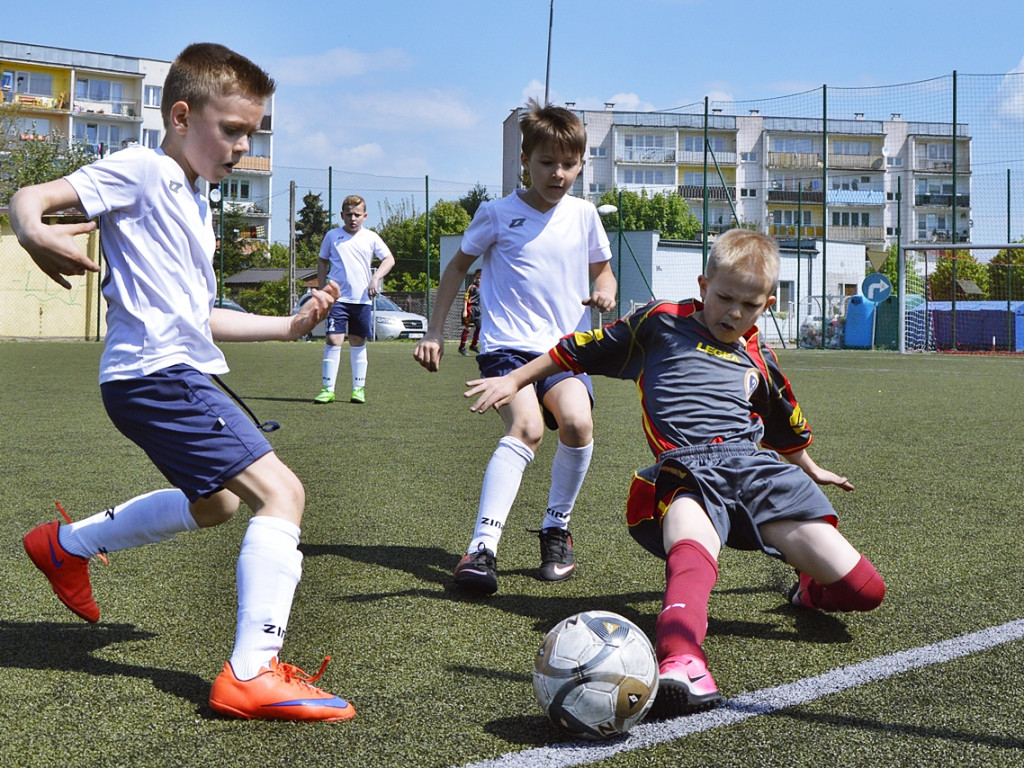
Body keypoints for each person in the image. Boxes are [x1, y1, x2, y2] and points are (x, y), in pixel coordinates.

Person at [11, 43, 355, 723]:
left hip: (170, 372)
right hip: (157, 375)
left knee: (219, 504)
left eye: (250, 134)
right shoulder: (142, 168)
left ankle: (65, 545)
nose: (239, 147)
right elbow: (33, 196)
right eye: (230, 130)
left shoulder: (197, 206)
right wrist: (29, 229)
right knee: (283, 493)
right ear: (179, 115)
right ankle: (252, 672)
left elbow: (197, 315)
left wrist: (288, 328)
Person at [463, 228, 885, 718]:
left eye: (748, 305)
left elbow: (782, 418)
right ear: (704, 285)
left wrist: (810, 468)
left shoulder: (759, 358)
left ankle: (809, 588)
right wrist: (513, 378)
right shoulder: (660, 323)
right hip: (688, 470)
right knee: (692, 546)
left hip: (759, 474)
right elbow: (574, 349)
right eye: (724, 297)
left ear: (766, 305)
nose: (733, 313)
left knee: (865, 591)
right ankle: (682, 660)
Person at [414, 99, 616, 594]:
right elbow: (456, 269)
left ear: (581, 165)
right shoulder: (497, 213)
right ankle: (482, 549)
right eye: (547, 163)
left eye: (569, 165)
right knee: (527, 428)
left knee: (578, 422)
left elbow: (603, 271)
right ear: (524, 161)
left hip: (567, 350)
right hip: (507, 350)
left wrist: (607, 290)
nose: (558, 173)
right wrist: (434, 331)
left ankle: (556, 528)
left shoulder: (586, 215)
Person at [313, 194, 396, 404]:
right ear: (342, 215)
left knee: (358, 341)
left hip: (362, 299)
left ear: (365, 216)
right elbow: (322, 261)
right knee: (333, 339)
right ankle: (327, 389)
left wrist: (376, 278)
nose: (353, 218)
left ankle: (358, 389)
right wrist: (323, 288)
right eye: (349, 214)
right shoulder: (332, 236)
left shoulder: (371, 237)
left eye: (357, 215)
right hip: (337, 298)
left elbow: (389, 259)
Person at [458, 268, 482, 355]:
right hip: (470, 309)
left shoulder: (483, 287)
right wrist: (465, 310)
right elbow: (466, 298)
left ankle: (473, 345)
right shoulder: (472, 287)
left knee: (479, 327)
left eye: (481, 276)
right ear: (475, 277)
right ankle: (462, 347)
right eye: (478, 276)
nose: (480, 278)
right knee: (467, 328)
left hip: (478, 309)